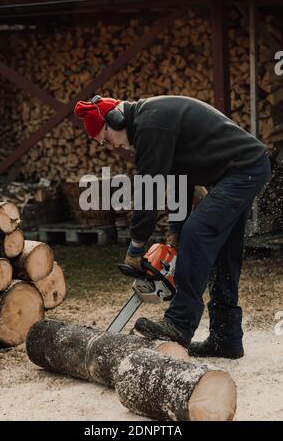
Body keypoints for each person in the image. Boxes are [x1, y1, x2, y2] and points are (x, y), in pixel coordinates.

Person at [74, 95, 271, 359]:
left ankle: (179, 323)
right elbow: (181, 177)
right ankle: (226, 338)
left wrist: (136, 246)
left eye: (106, 139)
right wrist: (175, 229)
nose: (110, 146)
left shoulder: (150, 125)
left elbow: (149, 191)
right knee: (223, 251)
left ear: (115, 120)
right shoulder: (151, 121)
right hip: (242, 170)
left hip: (243, 170)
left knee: (198, 233)